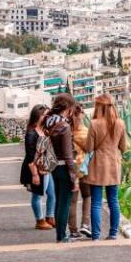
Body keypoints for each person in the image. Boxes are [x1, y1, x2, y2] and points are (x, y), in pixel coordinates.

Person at [85, 94, 126, 240]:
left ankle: (96, 235)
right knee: (113, 201)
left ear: (99, 106)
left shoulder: (94, 123)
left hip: (97, 165)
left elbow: (89, 148)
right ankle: (113, 234)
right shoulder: (120, 123)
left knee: (96, 202)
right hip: (114, 165)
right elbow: (124, 147)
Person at [45, 92, 79, 243]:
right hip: (64, 168)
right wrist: (74, 176)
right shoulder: (64, 126)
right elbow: (68, 155)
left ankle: (60, 234)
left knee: (59, 200)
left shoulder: (48, 122)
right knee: (65, 203)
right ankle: (62, 236)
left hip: (53, 167)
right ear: (69, 108)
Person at [20, 104, 55, 230]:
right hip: (36, 168)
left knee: (52, 193)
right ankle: (39, 220)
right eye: (45, 115)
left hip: (45, 167)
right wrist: (35, 174)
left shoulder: (44, 130)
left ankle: (49, 217)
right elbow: (30, 156)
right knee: (37, 195)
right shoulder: (31, 133)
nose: (47, 117)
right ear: (38, 116)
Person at [68, 103, 92, 238]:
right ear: (80, 114)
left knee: (72, 201)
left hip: (70, 168)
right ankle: (85, 224)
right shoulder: (84, 131)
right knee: (87, 197)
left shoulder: (67, 130)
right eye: (83, 112)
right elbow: (90, 148)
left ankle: (73, 230)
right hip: (83, 168)